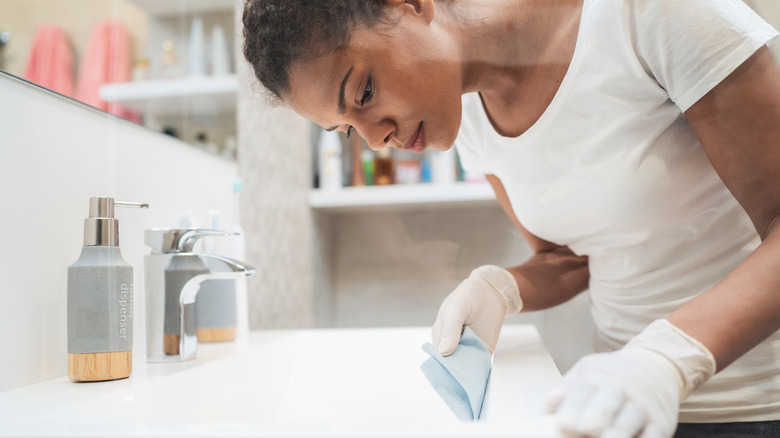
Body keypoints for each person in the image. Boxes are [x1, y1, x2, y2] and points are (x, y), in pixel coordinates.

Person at [241, 0, 780, 436]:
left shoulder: (646, 14)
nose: (377, 140)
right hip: (618, 406)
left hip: (756, 407)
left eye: (362, 92)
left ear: (411, 5)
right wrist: (502, 287)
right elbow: (569, 261)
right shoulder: (468, 119)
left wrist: (668, 359)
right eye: (345, 129)